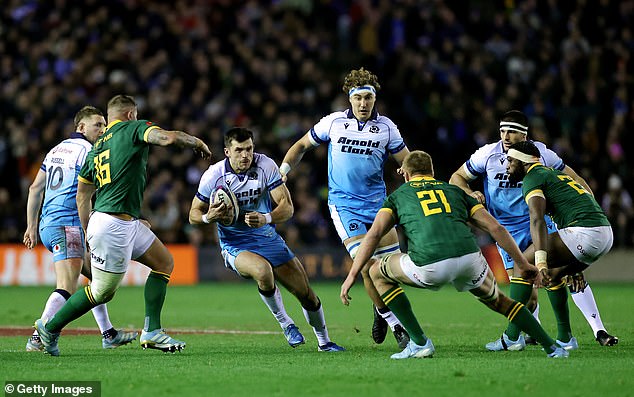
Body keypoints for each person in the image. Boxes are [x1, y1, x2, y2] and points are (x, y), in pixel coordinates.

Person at [340, 151, 568, 359]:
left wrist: (351, 276)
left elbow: (374, 235)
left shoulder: (398, 197)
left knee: (376, 272)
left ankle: (419, 342)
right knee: (501, 301)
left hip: (430, 265)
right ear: (432, 172)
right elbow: (496, 228)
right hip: (470, 260)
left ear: (406, 175)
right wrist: (522, 262)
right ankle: (553, 347)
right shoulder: (454, 191)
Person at [34, 94, 211, 356]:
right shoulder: (133, 128)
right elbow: (167, 138)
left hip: (116, 221)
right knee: (102, 292)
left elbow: (82, 196)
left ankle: (152, 331)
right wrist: (196, 141)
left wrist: (87, 229)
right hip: (112, 225)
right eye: (136, 115)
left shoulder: (95, 149)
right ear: (130, 115)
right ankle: (50, 327)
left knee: (164, 263)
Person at [449, 110, 618, 349]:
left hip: (538, 223)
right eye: (502, 131)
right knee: (527, 288)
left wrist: (588, 211)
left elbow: (575, 178)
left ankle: (534, 336)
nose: (505, 136)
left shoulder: (541, 154)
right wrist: (471, 193)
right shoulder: (487, 154)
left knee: (550, 278)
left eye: (512, 132)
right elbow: (456, 178)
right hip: (506, 230)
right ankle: (532, 333)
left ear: (524, 135)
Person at [280, 67, 410, 348]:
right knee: (365, 265)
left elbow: (408, 160)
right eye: (358, 98)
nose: (363, 104)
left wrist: (410, 173)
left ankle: (379, 308)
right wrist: (284, 169)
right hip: (344, 206)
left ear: (375, 100)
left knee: (390, 267)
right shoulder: (334, 123)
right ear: (349, 100)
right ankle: (394, 322)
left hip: (379, 204)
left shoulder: (387, 127)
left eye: (368, 98)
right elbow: (301, 144)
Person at [189, 127, 344, 352]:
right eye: (239, 150)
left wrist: (266, 218)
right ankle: (286, 323)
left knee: (307, 295)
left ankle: (324, 342)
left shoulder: (266, 165)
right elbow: (193, 215)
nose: (245, 155)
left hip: (268, 238)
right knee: (263, 272)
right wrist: (207, 216)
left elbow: (288, 208)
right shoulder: (213, 176)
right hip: (234, 244)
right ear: (227, 152)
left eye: (249, 149)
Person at [23, 106, 138, 351]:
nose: (103, 129)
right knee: (67, 286)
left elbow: (35, 189)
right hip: (68, 225)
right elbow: (98, 192)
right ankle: (37, 336)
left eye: (105, 125)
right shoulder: (90, 151)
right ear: (81, 127)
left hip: (48, 223)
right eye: (98, 124)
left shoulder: (56, 150)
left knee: (98, 281)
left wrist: (31, 227)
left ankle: (108, 334)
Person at [506, 141, 614, 283]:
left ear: (524, 161)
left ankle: (514, 306)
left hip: (585, 233)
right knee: (553, 276)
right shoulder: (554, 173)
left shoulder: (532, 178)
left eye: (511, 161)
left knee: (522, 265)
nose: (507, 166)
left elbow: (537, 219)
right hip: (606, 234)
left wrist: (541, 262)